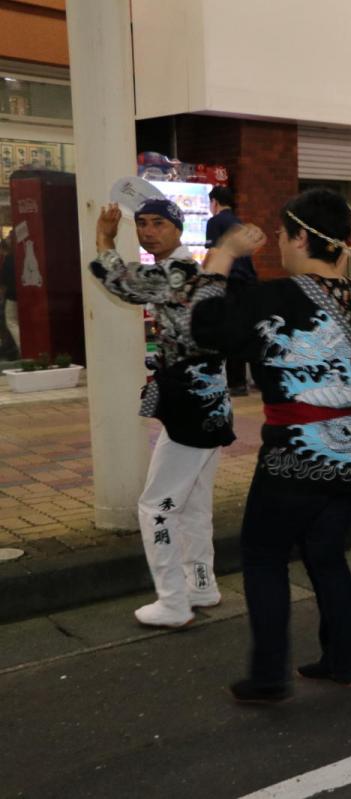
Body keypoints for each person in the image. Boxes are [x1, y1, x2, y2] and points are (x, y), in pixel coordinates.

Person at [191, 188, 351, 703]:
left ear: (303, 237)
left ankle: (267, 677)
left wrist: (224, 255)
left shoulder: (280, 296)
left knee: (262, 555)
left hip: (300, 450)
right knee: (326, 553)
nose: (279, 242)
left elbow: (205, 327)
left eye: (283, 233)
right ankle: (342, 660)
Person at [89, 199, 235, 628]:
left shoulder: (177, 272)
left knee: (156, 507)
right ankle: (202, 584)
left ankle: (172, 601)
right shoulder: (195, 271)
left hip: (191, 409)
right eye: (143, 224)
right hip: (210, 405)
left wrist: (104, 237)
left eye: (158, 224)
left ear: (177, 228)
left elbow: (119, 280)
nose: (149, 232)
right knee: (192, 503)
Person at [205, 186, 257, 397]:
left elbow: (213, 252)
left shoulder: (215, 222)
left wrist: (202, 275)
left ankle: (236, 383)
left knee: (231, 333)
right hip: (250, 282)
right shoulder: (239, 223)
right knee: (250, 332)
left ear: (214, 202)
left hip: (230, 283)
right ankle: (258, 379)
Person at [1, 232, 18, 359]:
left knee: (11, 321)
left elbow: (4, 281)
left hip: (11, 296)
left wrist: (2, 297)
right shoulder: (19, 256)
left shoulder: (9, 258)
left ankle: (23, 347)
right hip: (24, 295)